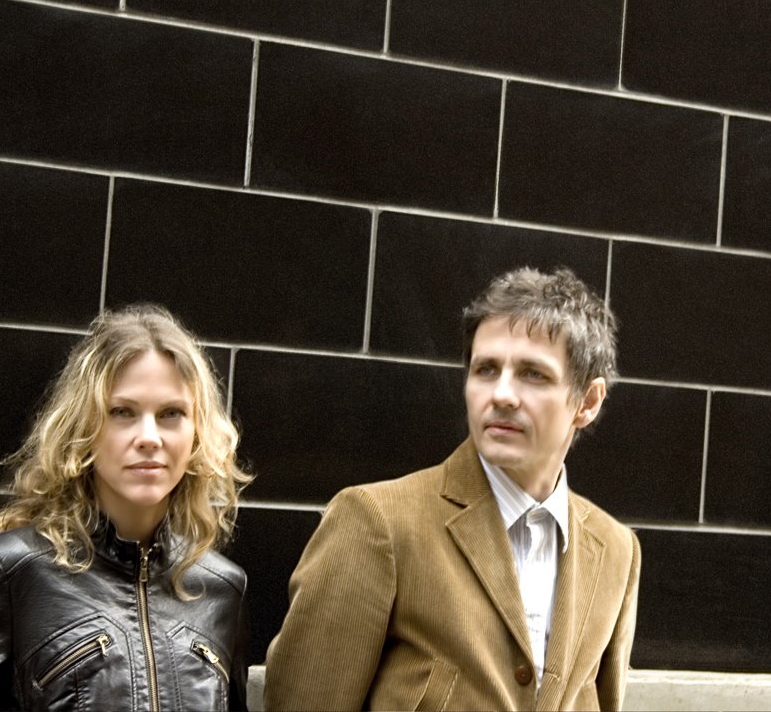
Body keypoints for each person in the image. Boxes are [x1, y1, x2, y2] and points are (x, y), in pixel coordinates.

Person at [264, 267, 641, 711]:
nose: (501, 394)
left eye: (533, 374)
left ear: (588, 402)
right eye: (486, 369)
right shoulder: (378, 521)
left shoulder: (616, 550)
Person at [0, 304, 253, 711]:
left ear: (197, 431)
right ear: (84, 425)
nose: (149, 437)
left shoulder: (223, 590)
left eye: (171, 413)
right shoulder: (14, 573)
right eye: (122, 412)